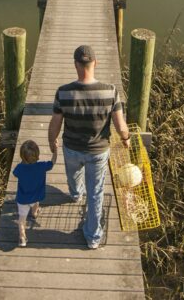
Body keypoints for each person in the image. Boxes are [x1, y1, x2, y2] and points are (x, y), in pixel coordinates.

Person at [48, 45, 130, 249]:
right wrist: (126, 138)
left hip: (71, 148)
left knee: (73, 175)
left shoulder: (63, 92)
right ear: (95, 63)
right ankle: (93, 238)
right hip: (98, 152)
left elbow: (56, 122)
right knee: (96, 193)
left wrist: (51, 140)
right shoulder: (110, 91)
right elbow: (120, 126)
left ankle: (75, 195)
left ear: (76, 64)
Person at [12, 139, 55, 247]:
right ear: (37, 155)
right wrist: (56, 151)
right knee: (36, 204)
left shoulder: (19, 168)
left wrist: (23, 163)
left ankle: (22, 238)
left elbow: (15, 174)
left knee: (21, 220)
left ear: (22, 156)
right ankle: (34, 214)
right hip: (36, 195)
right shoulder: (41, 166)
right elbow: (53, 163)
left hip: (22, 199)